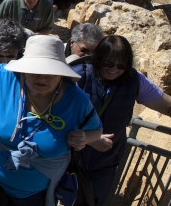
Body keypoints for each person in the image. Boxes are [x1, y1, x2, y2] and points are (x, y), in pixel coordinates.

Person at [0, 36, 102, 206]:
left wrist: (84, 138)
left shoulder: (77, 101)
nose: (42, 77)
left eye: (50, 72)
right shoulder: (4, 76)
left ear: (61, 74)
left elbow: (96, 131)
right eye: (35, 70)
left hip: (34, 191)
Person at [73, 36, 171, 205]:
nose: (114, 69)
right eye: (109, 63)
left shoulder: (134, 80)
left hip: (105, 161)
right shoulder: (79, 75)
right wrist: (91, 139)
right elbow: (56, 115)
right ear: (99, 58)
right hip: (69, 157)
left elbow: (166, 105)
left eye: (121, 66)